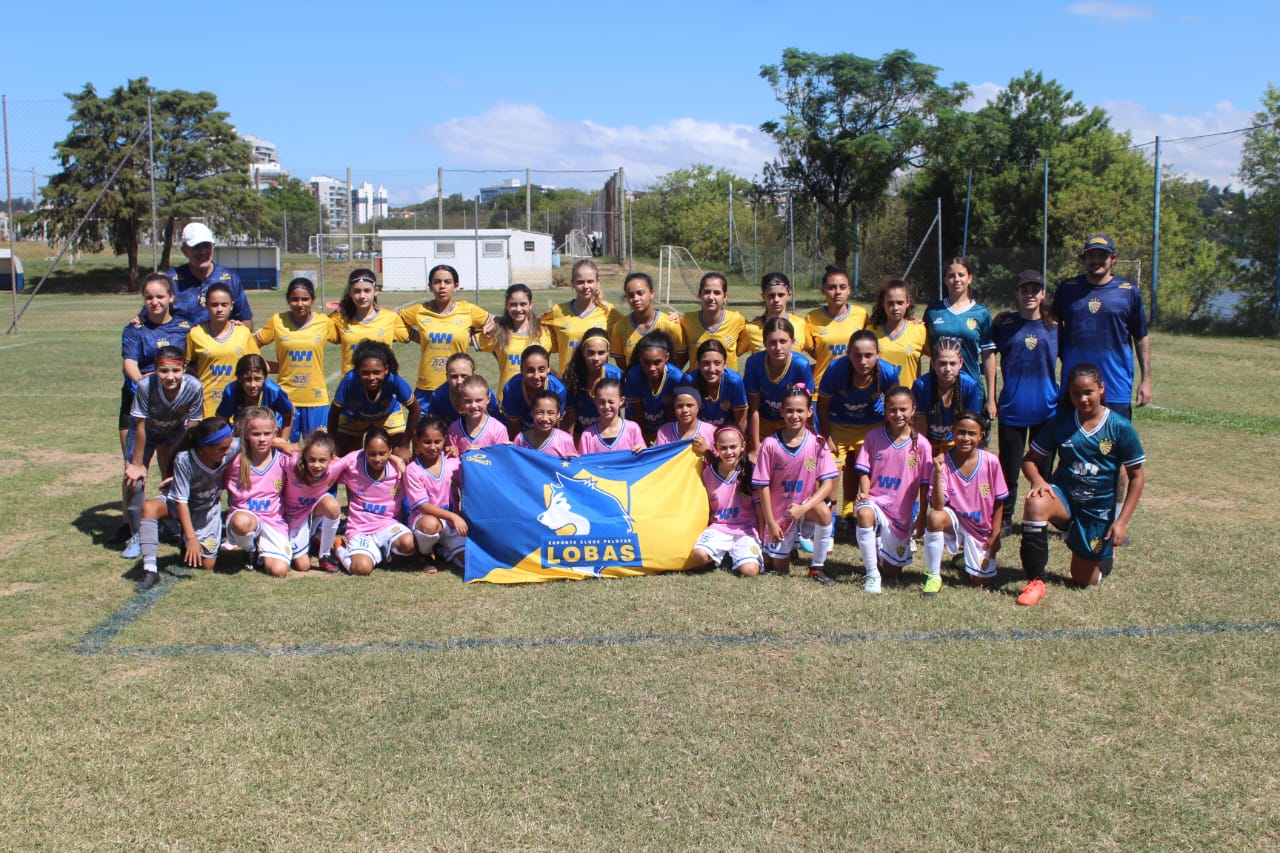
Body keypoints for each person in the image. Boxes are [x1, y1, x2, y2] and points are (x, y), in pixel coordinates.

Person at [1015, 363, 1146, 606]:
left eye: (1089, 392)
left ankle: (1104, 558)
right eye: (1076, 393)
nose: (1083, 399)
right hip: (1064, 498)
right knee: (1035, 502)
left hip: (1097, 509)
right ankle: (1036, 581)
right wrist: (1038, 480)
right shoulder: (1061, 422)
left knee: (1083, 579)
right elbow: (1030, 460)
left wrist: (1121, 522)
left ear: (1101, 389)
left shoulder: (1119, 427)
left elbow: (1137, 476)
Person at [1052, 234, 1152, 527]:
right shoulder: (1068, 290)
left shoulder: (1127, 291)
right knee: (1070, 452)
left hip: (1116, 387)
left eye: (1102, 256)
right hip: (1073, 388)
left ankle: (1113, 519)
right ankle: (1069, 515)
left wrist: (1146, 379)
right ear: (1083, 259)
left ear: (1113, 259)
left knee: (1116, 457)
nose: (1096, 261)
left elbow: (1141, 336)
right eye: (1091, 256)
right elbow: (1049, 326)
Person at [133, 416, 238, 591]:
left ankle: (182, 537)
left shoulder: (231, 446)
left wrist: (283, 445)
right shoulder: (184, 460)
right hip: (181, 505)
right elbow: (181, 501)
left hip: (206, 509)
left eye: (229, 446)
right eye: (222, 449)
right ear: (204, 448)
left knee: (207, 565)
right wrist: (192, 539)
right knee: (149, 507)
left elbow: (254, 440)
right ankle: (150, 570)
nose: (228, 451)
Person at [991, 269, 1059, 534]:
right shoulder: (1004, 324)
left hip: (1047, 409)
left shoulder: (1054, 326)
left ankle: (1045, 516)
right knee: (1008, 469)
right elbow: (989, 357)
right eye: (1024, 290)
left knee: (1042, 469)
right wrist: (992, 397)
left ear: (1043, 293)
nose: (1030, 294)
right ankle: (1005, 518)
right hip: (1012, 408)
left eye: (1035, 290)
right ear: (1017, 293)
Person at [121, 346, 204, 559]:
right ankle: (137, 534)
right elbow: (139, 425)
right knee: (134, 481)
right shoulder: (145, 386)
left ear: (184, 368)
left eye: (175, 371)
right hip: (145, 434)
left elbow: (192, 427)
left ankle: (169, 524)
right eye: (163, 371)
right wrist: (138, 463)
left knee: (174, 479)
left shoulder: (194, 387)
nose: (170, 377)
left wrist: (186, 461)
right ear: (155, 370)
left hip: (175, 434)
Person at [752, 385, 838, 584]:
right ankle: (788, 548)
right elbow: (762, 486)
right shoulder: (770, 444)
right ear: (781, 411)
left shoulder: (817, 443)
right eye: (789, 410)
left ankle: (817, 567)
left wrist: (804, 508)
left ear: (809, 412)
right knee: (778, 568)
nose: (794, 415)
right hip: (780, 513)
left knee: (824, 512)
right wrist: (771, 523)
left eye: (800, 410)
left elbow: (828, 484)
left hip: (804, 508)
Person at [851, 386, 932, 594]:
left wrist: (922, 516)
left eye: (903, 409)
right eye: (892, 409)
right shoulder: (873, 437)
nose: (898, 414)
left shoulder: (922, 445)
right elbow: (864, 471)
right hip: (876, 502)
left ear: (913, 410)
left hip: (900, 515)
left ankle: (880, 545)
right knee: (864, 513)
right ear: (885, 410)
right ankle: (871, 575)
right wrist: (864, 493)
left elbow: (924, 485)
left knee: (893, 572)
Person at [817, 329, 901, 520]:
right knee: (832, 472)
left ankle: (852, 513)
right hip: (838, 424)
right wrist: (826, 436)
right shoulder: (836, 369)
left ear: (877, 355)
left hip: (871, 426)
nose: (863, 361)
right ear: (848, 354)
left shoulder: (887, 372)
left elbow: (895, 404)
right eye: (857, 355)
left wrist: (890, 434)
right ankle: (829, 525)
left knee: (863, 469)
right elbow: (823, 404)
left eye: (869, 355)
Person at [923, 411, 1006, 595]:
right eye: (961, 432)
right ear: (952, 432)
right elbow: (937, 506)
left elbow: (1000, 501)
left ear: (981, 435)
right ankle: (933, 576)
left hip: (980, 529)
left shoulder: (991, 462)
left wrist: (996, 534)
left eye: (972, 433)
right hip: (954, 522)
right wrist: (937, 473)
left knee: (982, 582)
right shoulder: (943, 461)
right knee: (935, 517)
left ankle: (964, 559)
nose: (965, 438)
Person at [253, 276, 338, 441]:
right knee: (280, 449)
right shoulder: (277, 321)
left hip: (315, 399)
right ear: (288, 300)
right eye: (295, 299)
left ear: (313, 300)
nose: (300, 304)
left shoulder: (324, 322)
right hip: (284, 398)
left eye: (305, 299)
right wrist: (267, 366)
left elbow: (346, 337)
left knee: (316, 452)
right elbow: (250, 344)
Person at [120, 272, 191, 457]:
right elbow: (129, 362)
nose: (154, 301)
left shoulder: (186, 328)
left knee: (170, 470)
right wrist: (143, 383)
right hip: (137, 402)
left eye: (160, 296)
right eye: (149, 297)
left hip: (172, 408)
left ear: (171, 297)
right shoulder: (134, 329)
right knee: (133, 474)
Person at [399, 263, 491, 406]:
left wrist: (489, 326)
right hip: (427, 388)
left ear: (456, 285)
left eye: (447, 282)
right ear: (430, 286)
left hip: (458, 387)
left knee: (457, 428)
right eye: (437, 282)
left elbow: (498, 322)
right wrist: (417, 337)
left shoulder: (468, 310)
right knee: (423, 428)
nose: (442, 286)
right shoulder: (419, 310)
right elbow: (392, 319)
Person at [333, 426, 415, 575]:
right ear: (364, 452)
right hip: (360, 529)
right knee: (362, 569)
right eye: (372, 454)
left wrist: (396, 459)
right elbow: (329, 472)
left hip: (387, 524)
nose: (377, 459)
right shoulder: (354, 465)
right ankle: (339, 549)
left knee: (409, 544)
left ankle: (377, 552)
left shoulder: (398, 469)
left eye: (382, 454)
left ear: (390, 451)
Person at [922, 257, 997, 419]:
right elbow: (921, 341)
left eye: (961, 275)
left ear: (969, 278)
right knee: (938, 437)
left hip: (971, 388)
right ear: (945, 279)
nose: (956, 279)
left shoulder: (981, 313)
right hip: (938, 388)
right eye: (951, 275)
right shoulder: (933, 310)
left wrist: (991, 399)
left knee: (970, 438)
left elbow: (988, 356)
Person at [223, 407, 292, 578]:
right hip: (244, 516)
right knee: (241, 522)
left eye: (267, 434)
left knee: (279, 571)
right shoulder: (235, 460)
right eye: (256, 434)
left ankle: (262, 548)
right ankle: (249, 549)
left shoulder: (283, 459)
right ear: (246, 434)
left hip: (273, 520)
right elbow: (210, 474)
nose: (262, 439)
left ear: (275, 433)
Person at [690, 425, 764, 576]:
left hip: (746, 530)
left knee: (750, 571)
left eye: (733, 447)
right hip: (719, 527)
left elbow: (759, 508)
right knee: (698, 556)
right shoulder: (708, 473)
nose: (729, 452)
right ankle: (725, 556)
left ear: (743, 446)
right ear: (715, 447)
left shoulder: (751, 471)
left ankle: (732, 557)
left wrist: (763, 537)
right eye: (723, 448)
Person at [328, 340, 419, 458]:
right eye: (365, 373)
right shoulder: (350, 380)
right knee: (343, 455)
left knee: (401, 455)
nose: (371, 378)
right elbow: (334, 412)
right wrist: (333, 442)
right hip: (354, 416)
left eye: (377, 372)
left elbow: (415, 409)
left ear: (386, 370)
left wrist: (405, 445)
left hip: (386, 415)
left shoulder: (394, 379)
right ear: (357, 371)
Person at [184, 281, 260, 418]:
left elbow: (257, 366)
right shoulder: (195, 334)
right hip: (207, 406)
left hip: (238, 407)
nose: (219, 309)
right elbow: (188, 369)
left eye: (224, 305)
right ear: (206, 306)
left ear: (231, 305)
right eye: (214, 305)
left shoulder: (243, 333)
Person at [404, 415, 468, 573]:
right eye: (427, 442)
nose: (432, 447)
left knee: (469, 562)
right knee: (430, 524)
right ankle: (426, 553)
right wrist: (454, 516)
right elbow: (423, 506)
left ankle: (444, 549)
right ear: (417, 440)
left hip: (452, 524)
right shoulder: (413, 470)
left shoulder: (453, 462)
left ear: (445, 439)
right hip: (425, 519)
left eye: (437, 442)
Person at [743, 318, 815, 452]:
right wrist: (755, 446)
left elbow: (805, 406)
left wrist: (807, 439)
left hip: (790, 421)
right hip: (763, 422)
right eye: (772, 342)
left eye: (783, 341)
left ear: (792, 342)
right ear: (764, 343)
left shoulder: (801, 365)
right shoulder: (754, 363)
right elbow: (753, 408)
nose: (778, 348)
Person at [162, 222, 253, 327]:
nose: (203, 252)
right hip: (182, 342)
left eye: (206, 246)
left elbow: (246, 320)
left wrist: (239, 328)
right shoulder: (169, 280)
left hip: (221, 343)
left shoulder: (230, 279)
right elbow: (149, 318)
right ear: (185, 251)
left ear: (213, 247)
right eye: (196, 247)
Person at [280, 429, 344, 574]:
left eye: (322, 460)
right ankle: (313, 537)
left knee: (332, 506)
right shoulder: (291, 462)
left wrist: (394, 458)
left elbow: (362, 457)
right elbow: (264, 447)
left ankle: (325, 555)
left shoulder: (337, 465)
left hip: (314, 511)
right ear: (304, 457)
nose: (317, 465)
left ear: (332, 458)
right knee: (303, 566)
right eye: (312, 459)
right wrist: (280, 443)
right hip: (291, 517)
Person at [330, 269, 410, 377]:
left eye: (367, 290)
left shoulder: (390, 318)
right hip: (351, 387)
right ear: (349, 292)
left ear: (376, 291)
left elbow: (416, 336)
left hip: (383, 386)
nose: (362, 296)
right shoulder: (339, 318)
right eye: (357, 291)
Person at [912, 336, 983, 455]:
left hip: (957, 443)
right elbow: (920, 425)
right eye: (942, 363)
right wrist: (924, 453)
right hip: (928, 442)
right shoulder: (922, 386)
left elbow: (970, 424)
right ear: (933, 363)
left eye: (953, 363)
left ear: (961, 363)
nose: (948, 369)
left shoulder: (969, 385)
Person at [542, 259, 616, 372]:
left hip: (597, 384)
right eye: (580, 282)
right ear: (572, 283)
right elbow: (532, 328)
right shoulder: (558, 311)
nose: (585, 286)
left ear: (597, 282)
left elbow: (629, 328)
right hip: (567, 383)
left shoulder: (608, 311)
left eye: (590, 281)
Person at [479, 283, 553, 395]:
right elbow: (462, 337)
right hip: (508, 399)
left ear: (530, 305)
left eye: (523, 304)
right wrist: (495, 321)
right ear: (506, 306)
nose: (518, 309)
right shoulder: (497, 333)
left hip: (539, 401)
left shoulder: (545, 332)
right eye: (513, 304)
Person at [805, 266, 868, 387]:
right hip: (823, 386)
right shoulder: (811, 318)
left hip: (855, 386)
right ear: (823, 290)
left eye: (842, 287)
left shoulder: (861, 314)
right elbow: (812, 351)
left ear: (849, 290)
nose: (838, 292)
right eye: (832, 287)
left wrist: (912, 320)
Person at [610, 272, 685, 368]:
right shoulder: (619, 327)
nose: (636, 298)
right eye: (631, 295)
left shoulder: (670, 324)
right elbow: (621, 362)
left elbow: (681, 357)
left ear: (652, 293)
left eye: (640, 293)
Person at [679, 272, 752, 372]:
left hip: (727, 385)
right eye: (707, 292)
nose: (711, 297)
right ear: (699, 294)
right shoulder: (686, 320)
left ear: (725, 297)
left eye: (717, 293)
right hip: (697, 384)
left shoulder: (737, 319)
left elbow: (741, 347)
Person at [560, 327, 623, 437]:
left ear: (608, 352)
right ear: (583, 351)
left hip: (609, 433)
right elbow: (570, 417)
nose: (596, 358)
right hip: (581, 435)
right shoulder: (572, 377)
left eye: (601, 353)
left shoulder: (616, 376)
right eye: (591, 353)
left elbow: (618, 411)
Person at [624, 331, 683, 444]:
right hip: (640, 428)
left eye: (657, 362)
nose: (651, 368)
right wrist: (640, 439)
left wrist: (663, 438)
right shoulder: (633, 375)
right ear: (640, 359)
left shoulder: (676, 378)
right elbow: (637, 413)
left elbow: (672, 413)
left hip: (666, 431)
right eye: (646, 362)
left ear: (666, 358)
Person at [867, 278, 928, 388]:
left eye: (900, 303)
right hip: (878, 401)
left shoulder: (919, 330)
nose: (895, 308)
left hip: (908, 400)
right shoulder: (870, 332)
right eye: (890, 303)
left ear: (908, 302)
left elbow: (937, 359)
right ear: (882, 303)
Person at [215, 354, 295, 435]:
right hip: (242, 434)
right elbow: (222, 418)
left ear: (265, 377)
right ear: (239, 378)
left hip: (270, 435)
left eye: (257, 379)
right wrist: (231, 439)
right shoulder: (231, 391)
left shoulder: (274, 391)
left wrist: (282, 441)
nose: (253, 385)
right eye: (247, 379)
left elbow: (288, 415)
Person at [501, 344, 567, 438]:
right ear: (522, 370)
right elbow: (513, 426)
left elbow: (557, 425)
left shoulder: (558, 390)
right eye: (530, 370)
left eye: (541, 369)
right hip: (521, 437)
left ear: (548, 368)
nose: (536, 376)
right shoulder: (511, 388)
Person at [684, 339, 748, 431]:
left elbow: (740, 421)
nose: (711, 369)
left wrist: (740, 440)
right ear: (699, 364)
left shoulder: (734, 382)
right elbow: (685, 418)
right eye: (706, 363)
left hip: (727, 434)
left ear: (725, 364)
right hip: (699, 433)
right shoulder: (690, 381)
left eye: (717, 363)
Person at [746, 271, 812, 355]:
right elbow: (731, 353)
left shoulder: (800, 324)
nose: (776, 300)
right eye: (771, 295)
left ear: (789, 295)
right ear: (763, 296)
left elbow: (816, 352)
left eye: (781, 295)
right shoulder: (750, 329)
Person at [425, 353, 502, 424]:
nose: (459, 381)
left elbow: (498, 425)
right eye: (454, 376)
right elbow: (433, 427)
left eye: (464, 376)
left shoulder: (486, 395)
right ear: (447, 376)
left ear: (473, 375)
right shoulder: (438, 396)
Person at [576, 378, 646, 454]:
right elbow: (581, 464)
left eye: (611, 402)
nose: (606, 406)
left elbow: (644, 460)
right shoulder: (588, 435)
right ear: (595, 402)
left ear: (621, 401)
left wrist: (643, 451)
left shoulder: (632, 429)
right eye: (602, 402)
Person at [447, 375, 510, 454]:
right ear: (461, 401)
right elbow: (451, 461)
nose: (473, 405)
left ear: (488, 399)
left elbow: (502, 460)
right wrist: (462, 456)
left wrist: (479, 455)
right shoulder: (454, 429)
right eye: (468, 401)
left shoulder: (498, 430)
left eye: (478, 400)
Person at [513, 389, 578, 458]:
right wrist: (505, 449)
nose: (545, 418)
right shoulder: (520, 439)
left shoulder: (565, 440)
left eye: (550, 413)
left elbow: (574, 466)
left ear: (558, 414)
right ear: (532, 413)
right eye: (539, 412)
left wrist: (571, 461)